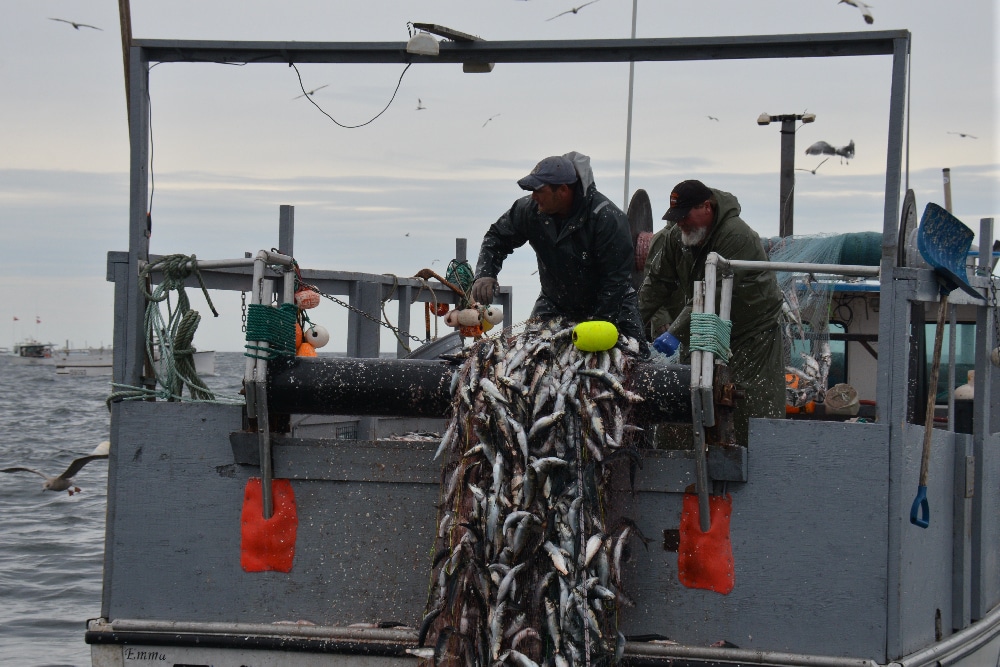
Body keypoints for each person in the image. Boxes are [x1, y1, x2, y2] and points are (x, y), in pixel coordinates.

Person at [638, 179, 784, 445]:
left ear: (707, 207)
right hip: (702, 330)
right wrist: (631, 324)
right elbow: (656, 284)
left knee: (746, 406)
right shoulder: (677, 237)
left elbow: (711, 293)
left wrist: (674, 332)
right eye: (676, 217)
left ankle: (750, 471)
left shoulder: (737, 236)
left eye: (685, 215)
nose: (680, 223)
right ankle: (685, 469)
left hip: (751, 335)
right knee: (687, 399)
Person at [471, 152, 647, 352]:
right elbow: (497, 237)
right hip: (555, 303)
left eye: (538, 190)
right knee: (530, 355)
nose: (533, 196)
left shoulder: (607, 218)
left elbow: (615, 281)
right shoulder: (530, 210)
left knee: (635, 364)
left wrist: (597, 327)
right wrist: (485, 274)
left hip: (613, 306)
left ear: (563, 190)